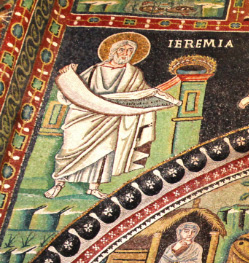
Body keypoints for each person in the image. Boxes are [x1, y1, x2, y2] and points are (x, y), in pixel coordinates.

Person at [45, 34, 175, 200]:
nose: (125, 53)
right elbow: (72, 91)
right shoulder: (94, 70)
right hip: (84, 115)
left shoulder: (134, 73)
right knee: (69, 149)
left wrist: (156, 96)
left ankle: (93, 187)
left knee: (104, 151)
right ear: (113, 51)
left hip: (112, 116)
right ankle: (58, 183)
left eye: (130, 51)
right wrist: (67, 77)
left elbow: (139, 95)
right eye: (122, 49)